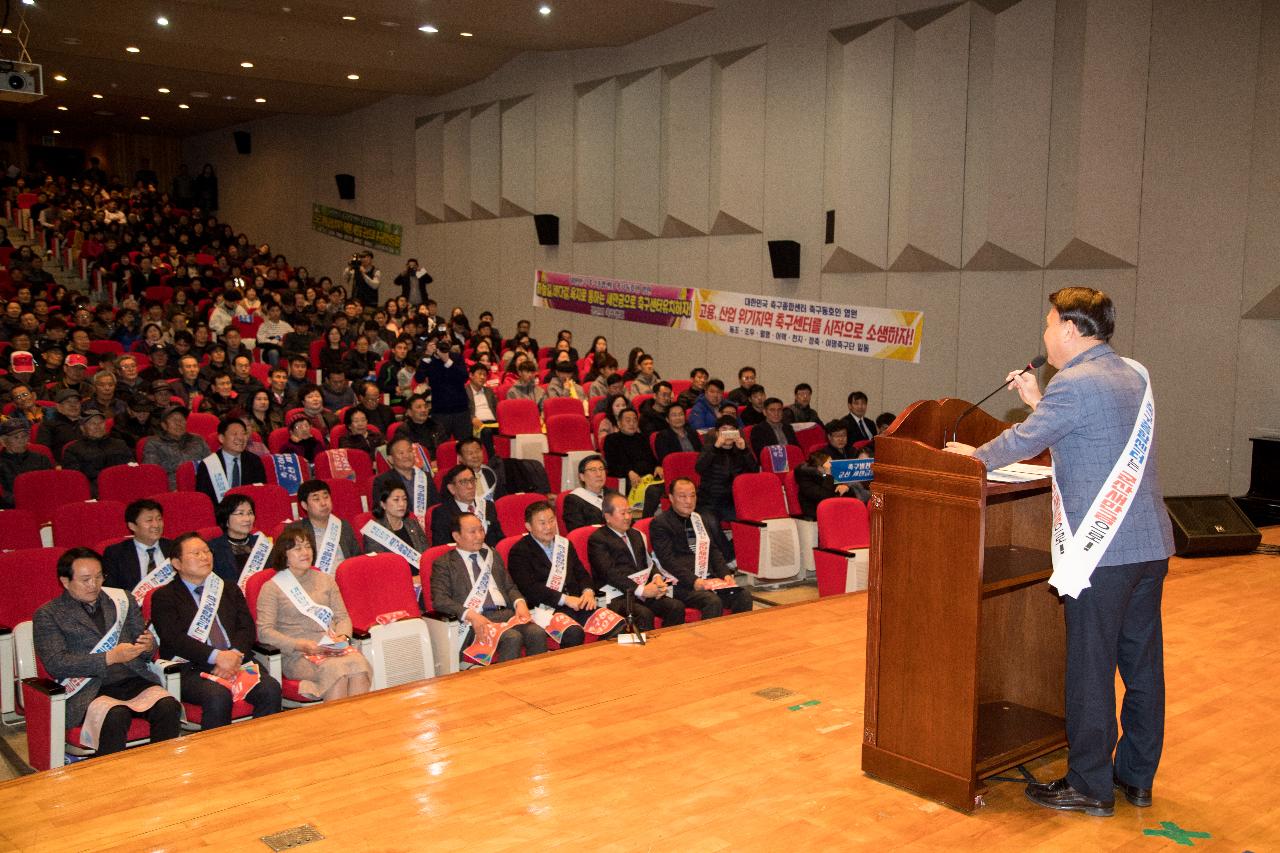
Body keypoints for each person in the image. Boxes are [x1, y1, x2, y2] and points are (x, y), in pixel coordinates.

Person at [944, 287, 1175, 817]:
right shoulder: (1132, 374)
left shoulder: (1073, 384)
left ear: (1070, 331)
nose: (1044, 335)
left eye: (1049, 326)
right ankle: (1136, 777)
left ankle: (1090, 784)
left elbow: (1022, 443)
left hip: (1103, 554)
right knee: (1143, 667)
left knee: (1090, 668)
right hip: (1148, 545)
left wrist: (969, 457)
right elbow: (1089, 431)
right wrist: (1036, 399)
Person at [32, 548, 182, 756]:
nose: (94, 585)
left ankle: (161, 769)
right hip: (88, 688)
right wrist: (109, 657)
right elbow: (56, 662)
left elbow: (144, 645)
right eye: (85, 579)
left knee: (168, 706)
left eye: (98, 576)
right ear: (65, 582)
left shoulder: (121, 600)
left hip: (132, 678)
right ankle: (112, 779)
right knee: (115, 715)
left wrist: (148, 646)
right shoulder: (48, 614)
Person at [150, 533, 282, 729]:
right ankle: (217, 756)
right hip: (192, 668)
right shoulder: (164, 596)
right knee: (218, 695)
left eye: (206, 551)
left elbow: (246, 627)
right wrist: (217, 657)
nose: (205, 557)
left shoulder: (227, 588)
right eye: (196, 553)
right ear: (177, 563)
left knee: (270, 689)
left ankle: (263, 749)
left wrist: (234, 656)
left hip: (237, 662)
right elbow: (174, 639)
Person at [255, 525, 373, 701]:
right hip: (297, 654)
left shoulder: (325, 580)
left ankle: (355, 724)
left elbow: (342, 617)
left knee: (359, 664)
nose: (305, 552)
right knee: (337, 672)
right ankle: (336, 727)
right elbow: (264, 632)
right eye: (297, 548)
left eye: (308, 546)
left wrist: (343, 637)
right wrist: (299, 644)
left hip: (332, 647)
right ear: (284, 555)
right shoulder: (272, 588)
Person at [429, 512, 548, 664]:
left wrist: (520, 603)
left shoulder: (492, 555)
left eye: (481, 530)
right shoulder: (444, 563)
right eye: (472, 532)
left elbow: (509, 586)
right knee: (512, 637)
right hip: (475, 621)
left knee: (537, 633)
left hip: (506, 615)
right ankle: (504, 684)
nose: (479, 536)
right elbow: (440, 600)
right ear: (456, 536)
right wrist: (470, 615)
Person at [506, 501, 624, 647]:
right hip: (546, 610)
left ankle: (595, 659)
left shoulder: (564, 544)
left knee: (618, 624)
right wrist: (565, 599)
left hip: (577, 604)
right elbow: (529, 589)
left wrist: (588, 592)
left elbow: (581, 573)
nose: (549, 527)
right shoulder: (519, 551)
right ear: (529, 526)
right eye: (542, 523)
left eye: (551, 521)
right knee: (574, 633)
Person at [650, 478, 752, 617]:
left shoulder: (699, 519)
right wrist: (694, 581)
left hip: (707, 578)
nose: (689, 501)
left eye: (692, 495)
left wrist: (725, 574)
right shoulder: (660, 523)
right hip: (680, 583)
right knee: (712, 601)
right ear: (671, 498)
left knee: (743, 595)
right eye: (683, 496)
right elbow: (668, 561)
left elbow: (713, 550)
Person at [586, 491, 685, 631]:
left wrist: (657, 578)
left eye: (629, 511)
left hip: (640, 591)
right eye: (622, 513)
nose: (627, 517)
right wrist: (642, 590)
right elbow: (610, 574)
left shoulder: (636, 534)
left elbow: (649, 562)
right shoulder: (598, 539)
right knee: (644, 614)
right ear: (607, 517)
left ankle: (668, 647)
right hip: (617, 595)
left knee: (676, 607)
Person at [101, 499, 174, 593]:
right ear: (132, 526)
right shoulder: (116, 554)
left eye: (159, 519)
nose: (156, 525)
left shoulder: (174, 548)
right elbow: (112, 592)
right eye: (149, 520)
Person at [696, 416, 758, 523]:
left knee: (747, 521)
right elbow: (699, 468)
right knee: (711, 522)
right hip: (710, 502)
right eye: (724, 429)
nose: (728, 433)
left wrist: (745, 451)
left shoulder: (741, 450)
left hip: (733, 501)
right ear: (716, 433)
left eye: (731, 429)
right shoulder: (709, 449)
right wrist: (715, 448)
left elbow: (754, 472)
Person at [602, 409, 663, 516]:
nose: (632, 423)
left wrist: (657, 466)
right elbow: (612, 464)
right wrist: (628, 472)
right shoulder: (611, 440)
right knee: (653, 491)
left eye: (634, 420)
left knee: (669, 485)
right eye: (628, 420)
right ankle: (643, 519)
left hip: (648, 477)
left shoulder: (642, 438)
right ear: (619, 424)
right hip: (626, 478)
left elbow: (652, 459)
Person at [292, 479, 360, 574]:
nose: (324, 503)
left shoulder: (343, 525)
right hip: (316, 585)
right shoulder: (295, 530)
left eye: (326, 497)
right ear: (304, 505)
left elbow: (357, 558)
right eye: (316, 499)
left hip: (347, 580)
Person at [194, 417, 267, 504]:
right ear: (221, 438)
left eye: (244, 434)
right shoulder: (209, 464)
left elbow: (260, 493)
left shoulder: (254, 461)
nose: (240, 438)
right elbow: (203, 500)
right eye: (235, 434)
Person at [208, 493, 274, 589]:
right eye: (240, 513)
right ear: (226, 519)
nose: (247, 519)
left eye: (250, 513)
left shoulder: (263, 544)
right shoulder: (213, 548)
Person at [61, 411, 132, 497]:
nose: (97, 426)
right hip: (94, 493)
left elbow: (131, 467)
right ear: (82, 428)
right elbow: (75, 480)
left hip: (123, 488)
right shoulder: (73, 450)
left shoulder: (120, 444)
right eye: (92, 423)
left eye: (100, 422)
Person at [371, 435, 440, 524]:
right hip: (400, 526)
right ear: (390, 459)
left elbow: (435, 506)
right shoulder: (382, 481)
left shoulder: (425, 476)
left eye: (410, 451)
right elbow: (381, 512)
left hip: (429, 526)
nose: (407, 456)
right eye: (401, 453)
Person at [362, 480, 429, 568]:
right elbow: (380, 567)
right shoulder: (374, 532)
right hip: (396, 579)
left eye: (404, 499)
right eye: (396, 500)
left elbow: (427, 554)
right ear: (383, 504)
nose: (402, 504)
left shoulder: (412, 524)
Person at [415, 337, 471, 441]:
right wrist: (427, 355)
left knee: (465, 444)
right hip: (440, 410)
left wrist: (447, 360)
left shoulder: (456, 357)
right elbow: (419, 378)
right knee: (441, 445)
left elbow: (464, 377)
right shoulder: (429, 360)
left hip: (460, 409)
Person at [432, 464, 501, 549]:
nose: (470, 486)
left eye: (472, 480)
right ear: (452, 488)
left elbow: (499, 538)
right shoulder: (442, 513)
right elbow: (442, 548)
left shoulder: (488, 506)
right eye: (464, 482)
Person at [144, 405, 212, 488]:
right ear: (164, 425)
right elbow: (152, 473)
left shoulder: (197, 439)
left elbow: (211, 464)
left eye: (182, 420)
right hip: (171, 487)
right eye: (173, 420)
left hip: (200, 484)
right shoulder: (154, 443)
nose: (179, 423)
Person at [794, 450, 864, 520]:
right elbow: (825, 496)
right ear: (819, 467)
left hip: (837, 512)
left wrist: (846, 488)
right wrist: (828, 474)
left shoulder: (827, 475)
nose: (832, 467)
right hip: (816, 516)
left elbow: (848, 495)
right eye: (829, 465)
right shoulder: (806, 479)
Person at [0, 416, 50, 508]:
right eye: (16, 438)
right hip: (12, 508)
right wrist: (24, 501)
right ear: (3, 441)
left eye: (24, 436)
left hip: (43, 504)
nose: (21, 441)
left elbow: (51, 485)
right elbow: (3, 494)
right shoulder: (2, 464)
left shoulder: (41, 459)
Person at [561, 454, 608, 532]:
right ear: (582, 476)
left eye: (601, 469)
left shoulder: (614, 495)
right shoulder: (573, 500)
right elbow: (577, 532)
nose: (599, 474)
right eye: (593, 470)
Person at [36, 388, 83, 462]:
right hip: (62, 466)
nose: (73, 405)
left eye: (76, 402)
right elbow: (43, 452)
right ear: (59, 407)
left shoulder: (88, 422)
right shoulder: (48, 425)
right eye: (68, 402)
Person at [456, 435, 505, 501]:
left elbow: (501, 500)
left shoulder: (492, 474)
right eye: (470, 453)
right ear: (460, 458)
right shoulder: (455, 478)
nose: (475, 456)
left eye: (477, 451)